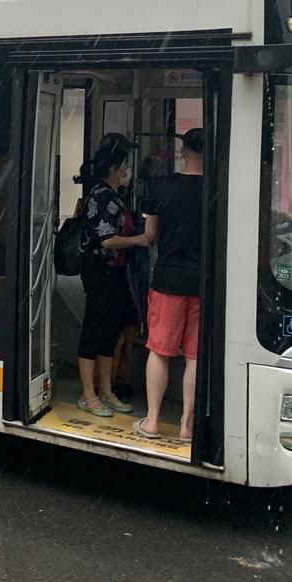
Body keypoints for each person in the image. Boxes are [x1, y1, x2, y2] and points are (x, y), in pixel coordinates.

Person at [135, 128, 206, 442]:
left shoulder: (162, 186)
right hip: (203, 283)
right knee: (194, 356)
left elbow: (150, 234)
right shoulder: (216, 188)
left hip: (168, 278)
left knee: (160, 350)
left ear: (183, 153)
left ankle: (151, 421)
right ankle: (186, 427)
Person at [76, 133, 148, 417]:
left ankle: (106, 390)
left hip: (115, 271)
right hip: (100, 271)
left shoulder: (112, 196)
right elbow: (106, 240)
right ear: (115, 168)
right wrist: (139, 240)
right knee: (95, 330)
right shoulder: (102, 196)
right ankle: (88, 393)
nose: (127, 170)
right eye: (124, 165)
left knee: (110, 331)